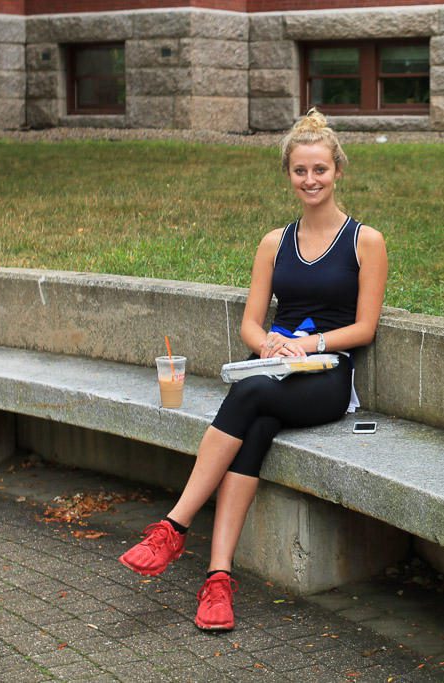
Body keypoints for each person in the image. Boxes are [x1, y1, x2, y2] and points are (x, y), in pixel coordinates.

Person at [119, 108, 388, 631]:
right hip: (271, 368)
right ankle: (217, 581)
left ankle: (174, 526)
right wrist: (268, 343)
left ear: (338, 171)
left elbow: (365, 328)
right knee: (256, 423)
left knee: (247, 400)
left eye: (320, 170)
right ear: (288, 175)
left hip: (326, 375)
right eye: (300, 171)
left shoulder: (365, 241)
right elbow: (249, 322)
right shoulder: (274, 241)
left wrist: (307, 344)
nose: (310, 180)